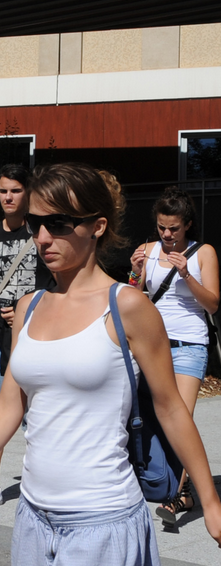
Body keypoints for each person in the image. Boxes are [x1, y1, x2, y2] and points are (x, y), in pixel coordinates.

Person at [0, 163, 221, 564]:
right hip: (32, 521)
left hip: (104, 522)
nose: (43, 237)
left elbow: (170, 409)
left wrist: (211, 503)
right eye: (36, 223)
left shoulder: (128, 307)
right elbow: (9, 407)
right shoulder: (30, 307)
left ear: (97, 226)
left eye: (59, 224)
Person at [129, 186, 220, 526]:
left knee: (180, 419)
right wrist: (136, 271)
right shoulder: (149, 249)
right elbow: (135, 295)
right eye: (162, 227)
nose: (166, 235)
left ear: (188, 226)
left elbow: (211, 303)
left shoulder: (203, 253)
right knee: (144, 416)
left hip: (189, 345)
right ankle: (172, 485)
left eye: (174, 228)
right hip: (152, 343)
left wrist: (185, 274)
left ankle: (179, 496)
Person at [0, 164, 52, 512]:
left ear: (27, 194)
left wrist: (28, 311)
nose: (8, 197)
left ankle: (42, 481)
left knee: (36, 411)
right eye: (3, 191)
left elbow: (54, 283)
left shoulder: (41, 234)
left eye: (15, 191)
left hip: (33, 330)